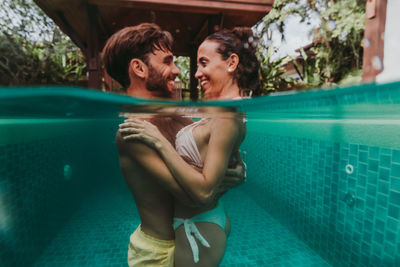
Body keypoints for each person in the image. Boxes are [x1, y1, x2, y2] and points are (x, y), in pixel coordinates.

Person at [102, 23, 244, 267]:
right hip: (157, 252)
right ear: (139, 68)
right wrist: (220, 181)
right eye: (167, 61)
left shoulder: (179, 118)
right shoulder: (132, 131)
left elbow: (210, 160)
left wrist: (237, 171)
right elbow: (192, 197)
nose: (177, 71)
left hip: (192, 234)